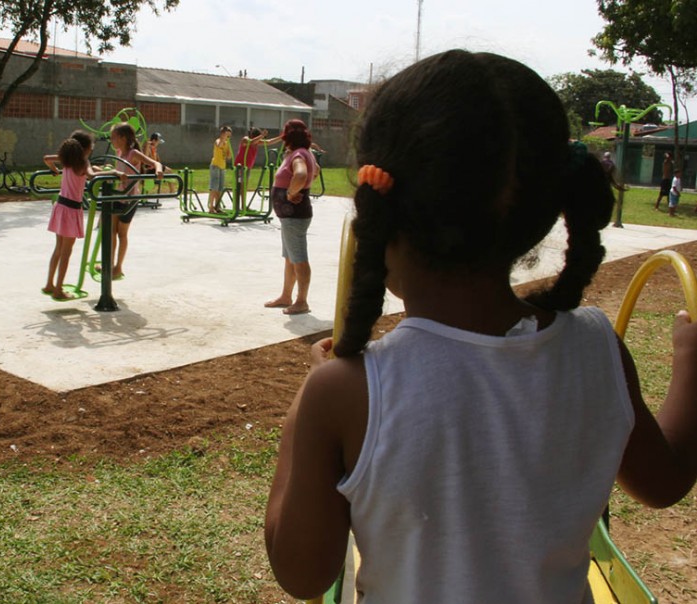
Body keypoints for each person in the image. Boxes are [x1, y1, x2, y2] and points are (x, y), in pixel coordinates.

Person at [264, 50, 697, 603]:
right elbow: (665, 482)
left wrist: (305, 408)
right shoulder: (597, 348)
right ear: (544, 209)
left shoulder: (345, 389)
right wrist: (689, 360)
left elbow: (301, 576)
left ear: (380, 211)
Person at [42, 131, 124, 301]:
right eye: (91, 148)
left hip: (61, 206)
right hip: (72, 209)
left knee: (58, 249)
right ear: (85, 149)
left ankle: (50, 284)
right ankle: (58, 290)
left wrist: (55, 170)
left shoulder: (67, 159)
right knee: (66, 252)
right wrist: (114, 173)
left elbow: (47, 159)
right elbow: (91, 175)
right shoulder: (82, 162)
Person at [263, 119, 319, 316]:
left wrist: (289, 193)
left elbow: (301, 174)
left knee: (299, 258)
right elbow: (316, 172)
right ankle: (286, 296)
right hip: (291, 217)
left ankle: (301, 301)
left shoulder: (298, 155)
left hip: (294, 216)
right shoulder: (305, 153)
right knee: (290, 258)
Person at [105, 122, 163, 279]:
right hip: (118, 195)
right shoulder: (119, 152)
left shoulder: (133, 154)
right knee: (111, 231)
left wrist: (158, 170)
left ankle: (119, 266)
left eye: (114, 137)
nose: (111, 140)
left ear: (123, 138)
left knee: (121, 233)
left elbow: (155, 163)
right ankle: (109, 264)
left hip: (130, 198)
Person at [234, 127, 269, 208]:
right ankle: (236, 206)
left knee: (244, 187)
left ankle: (243, 206)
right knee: (240, 186)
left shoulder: (255, 143)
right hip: (240, 166)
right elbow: (250, 142)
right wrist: (262, 136)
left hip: (247, 167)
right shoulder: (245, 139)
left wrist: (281, 137)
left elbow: (268, 142)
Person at [208, 125, 233, 213]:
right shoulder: (218, 141)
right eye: (227, 135)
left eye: (229, 135)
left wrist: (228, 153)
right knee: (214, 187)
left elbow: (229, 156)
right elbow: (219, 145)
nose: (228, 137)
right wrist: (224, 139)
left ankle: (217, 206)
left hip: (222, 167)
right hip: (215, 165)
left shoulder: (227, 143)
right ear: (222, 134)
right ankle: (211, 207)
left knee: (220, 188)